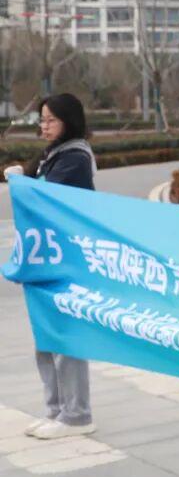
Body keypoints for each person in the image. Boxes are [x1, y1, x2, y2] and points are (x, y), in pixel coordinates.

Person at [3, 93, 98, 440]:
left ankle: (78, 414)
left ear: (68, 122)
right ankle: (56, 410)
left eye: (50, 120)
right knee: (46, 337)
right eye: (41, 120)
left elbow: (44, 197)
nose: (43, 126)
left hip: (67, 263)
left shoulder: (75, 158)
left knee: (66, 338)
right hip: (47, 261)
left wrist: (20, 182)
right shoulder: (52, 154)